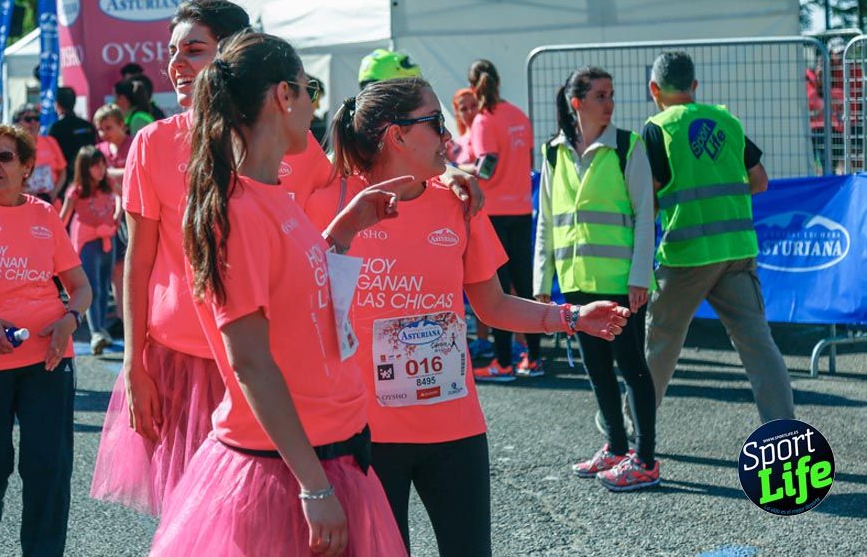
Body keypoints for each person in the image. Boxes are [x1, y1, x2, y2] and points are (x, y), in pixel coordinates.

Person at [307, 77, 630, 554]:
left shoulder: (458, 204)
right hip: (365, 435)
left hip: (454, 428)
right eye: (436, 124)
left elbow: (493, 305)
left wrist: (573, 316)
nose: (451, 138)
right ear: (396, 135)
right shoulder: (331, 201)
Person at [152, 32, 412, 556]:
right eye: (308, 88)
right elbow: (249, 362)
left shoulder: (271, 196)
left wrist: (342, 233)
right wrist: (314, 486)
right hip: (285, 474)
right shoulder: (240, 211)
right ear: (283, 96)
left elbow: (298, 297)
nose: (315, 103)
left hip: (321, 456)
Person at [91, 0, 251, 516]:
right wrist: (133, 365)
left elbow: (345, 187)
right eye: (172, 52)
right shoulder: (152, 144)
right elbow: (137, 262)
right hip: (176, 362)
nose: (176, 64)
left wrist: (443, 177)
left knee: (253, 521)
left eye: (194, 50)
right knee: (187, 521)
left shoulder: (276, 138)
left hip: (258, 361)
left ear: (233, 54)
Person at [0, 123, 91, 557]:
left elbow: (80, 286)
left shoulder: (45, 215)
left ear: (27, 166)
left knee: (48, 467)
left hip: (46, 359)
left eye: (4, 157)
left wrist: (71, 318)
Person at [643, 51, 795, 424]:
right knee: (758, 344)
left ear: (654, 89)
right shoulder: (726, 120)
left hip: (686, 254)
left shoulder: (657, 129)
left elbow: (648, 201)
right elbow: (759, 181)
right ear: (694, 86)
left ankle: (636, 426)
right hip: (737, 252)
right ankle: (783, 428)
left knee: (662, 340)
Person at [534, 67, 660, 491]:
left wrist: (640, 275)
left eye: (611, 95)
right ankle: (615, 448)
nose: (609, 103)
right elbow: (546, 222)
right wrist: (541, 283)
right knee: (596, 370)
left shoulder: (628, 145)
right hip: (576, 283)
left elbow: (646, 215)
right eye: (600, 95)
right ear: (577, 103)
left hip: (622, 282)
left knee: (632, 368)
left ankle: (645, 459)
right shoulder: (553, 152)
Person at [462, 59, 541, 381]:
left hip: (493, 214)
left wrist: (457, 169)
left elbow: (487, 168)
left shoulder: (483, 119)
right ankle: (533, 359)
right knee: (524, 288)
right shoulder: (518, 115)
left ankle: (504, 363)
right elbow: (526, 160)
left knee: (500, 293)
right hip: (521, 210)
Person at [61, 146, 120, 355]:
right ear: (85, 168)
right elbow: (63, 219)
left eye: (103, 164)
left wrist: (117, 216)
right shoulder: (76, 190)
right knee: (92, 287)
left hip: (107, 240)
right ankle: (96, 332)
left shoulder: (108, 185)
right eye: (96, 165)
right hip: (87, 243)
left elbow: (121, 196)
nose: (101, 169)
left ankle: (101, 327)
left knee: (104, 287)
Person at [94, 103, 133, 328]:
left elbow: (135, 170)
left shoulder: (135, 144)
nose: (103, 133)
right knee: (117, 268)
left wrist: (109, 172)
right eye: (100, 129)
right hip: (110, 217)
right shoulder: (101, 150)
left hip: (135, 213)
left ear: (121, 125)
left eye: (108, 127)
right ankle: (121, 317)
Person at [14, 103, 67, 204]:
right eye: (28, 119)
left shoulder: (50, 141)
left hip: (51, 202)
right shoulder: (12, 146)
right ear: (17, 123)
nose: (33, 122)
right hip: (25, 203)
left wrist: (54, 193)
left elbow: (63, 171)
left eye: (37, 118)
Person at [47, 87, 96, 192]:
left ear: (57, 104)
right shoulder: (87, 125)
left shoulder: (56, 127)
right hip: (89, 177)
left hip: (65, 182)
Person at [448, 87, 478, 165]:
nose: (470, 112)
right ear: (458, 114)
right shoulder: (453, 147)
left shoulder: (495, 134)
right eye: (463, 109)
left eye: (474, 105)